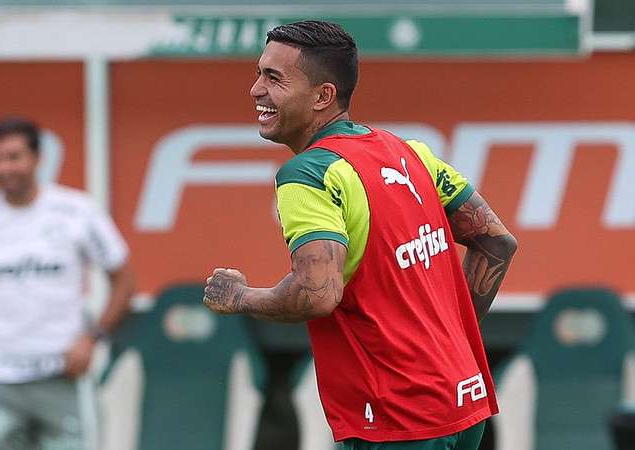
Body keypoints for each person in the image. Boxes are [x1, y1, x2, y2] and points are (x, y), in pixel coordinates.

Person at [202, 20, 518, 450]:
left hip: (398, 416)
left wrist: (240, 297)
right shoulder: (409, 152)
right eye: (259, 73)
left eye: (273, 78)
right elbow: (497, 241)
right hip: (463, 399)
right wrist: (452, 341)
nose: (256, 89)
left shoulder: (308, 174)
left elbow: (317, 293)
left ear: (322, 96)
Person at [0, 117, 136, 450]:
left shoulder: (77, 212)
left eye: (14, 157)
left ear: (37, 159)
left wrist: (92, 338)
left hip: (63, 375)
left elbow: (124, 283)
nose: (4, 168)